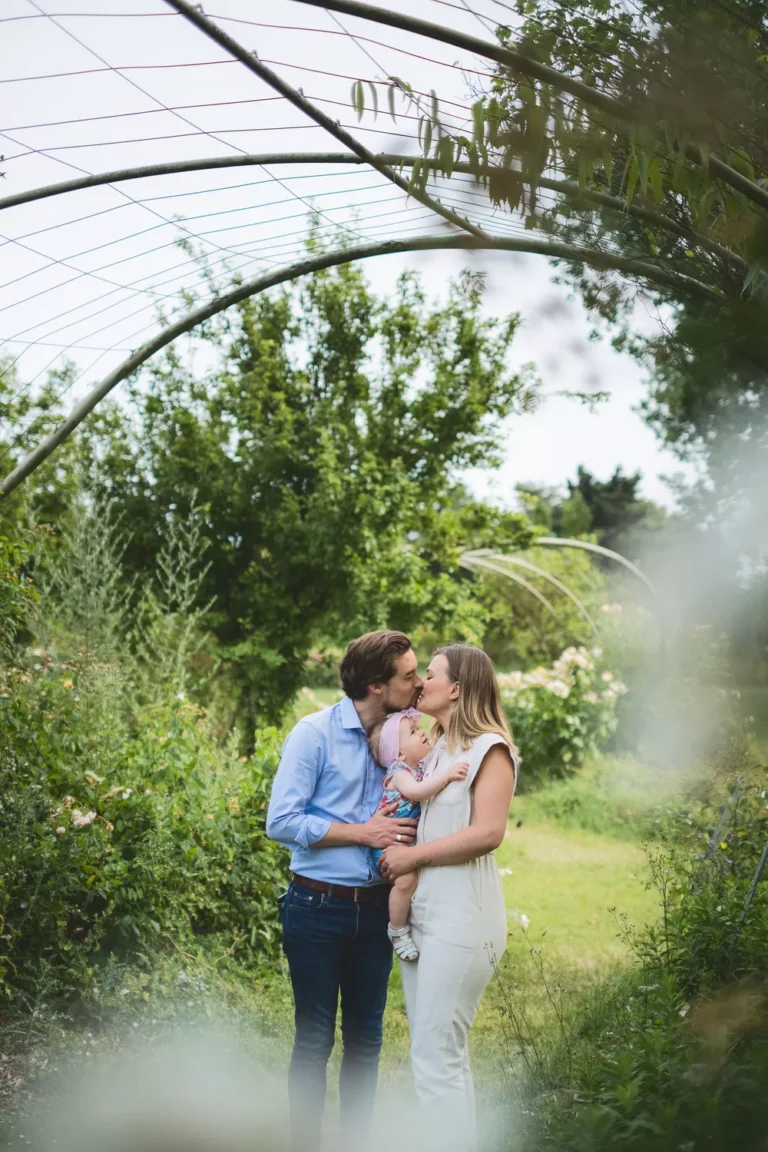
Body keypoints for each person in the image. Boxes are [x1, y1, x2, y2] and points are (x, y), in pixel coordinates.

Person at [266, 630, 423, 1152]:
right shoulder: (312, 734)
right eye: (408, 676)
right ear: (377, 685)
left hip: (376, 911)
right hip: (315, 907)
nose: (419, 683)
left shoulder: (404, 736)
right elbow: (281, 821)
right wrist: (364, 833)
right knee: (314, 1040)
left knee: (367, 1042)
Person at [379, 643, 517, 1152]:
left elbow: (487, 833)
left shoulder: (489, 750)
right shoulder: (436, 751)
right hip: (423, 918)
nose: (421, 684)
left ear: (456, 689)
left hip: (463, 921)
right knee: (437, 1055)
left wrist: (412, 859)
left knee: (436, 1059)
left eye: (430, 675)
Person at [368, 708, 468, 961]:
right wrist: (447, 775)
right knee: (406, 881)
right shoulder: (399, 772)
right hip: (387, 845)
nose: (421, 732)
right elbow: (418, 792)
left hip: (403, 842)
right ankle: (397, 930)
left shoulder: (418, 766)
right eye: (413, 732)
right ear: (399, 753)